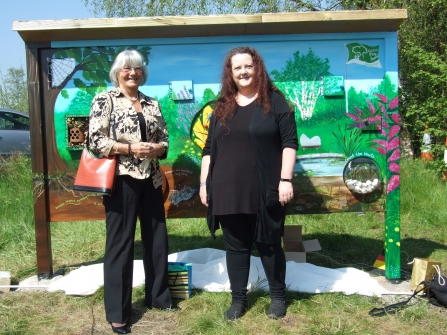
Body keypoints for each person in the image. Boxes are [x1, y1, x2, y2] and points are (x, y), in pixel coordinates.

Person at [199, 46, 298, 320]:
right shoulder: (221, 106)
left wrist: (285, 179)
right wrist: (204, 184)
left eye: (248, 66)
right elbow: (209, 149)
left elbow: (290, 144)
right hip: (227, 189)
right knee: (236, 247)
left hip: (265, 188)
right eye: (237, 67)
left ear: (258, 68)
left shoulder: (276, 102)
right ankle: (238, 299)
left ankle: (277, 297)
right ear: (230, 73)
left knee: (269, 244)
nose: (243, 71)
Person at [89, 49, 176, 334]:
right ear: (118, 72)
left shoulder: (152, 103)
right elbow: (95, 140)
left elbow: (164, 139)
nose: (132, 73)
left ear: (142, 73)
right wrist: (129, 148)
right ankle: (119, 313)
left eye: (137, 69)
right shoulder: (105, 99)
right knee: (121, 245)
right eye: (127, 68)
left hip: (150, 178)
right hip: (120, 179)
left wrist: (157, 148)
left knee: (157, 240)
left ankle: (159, 297)